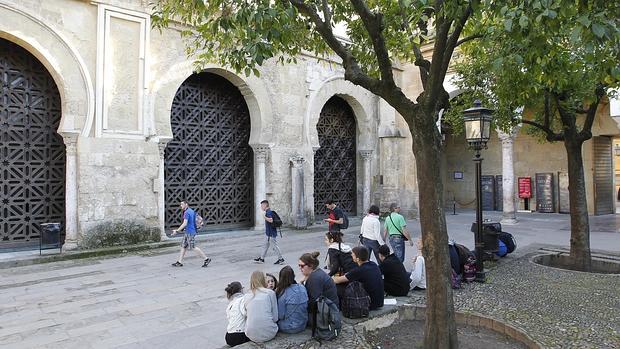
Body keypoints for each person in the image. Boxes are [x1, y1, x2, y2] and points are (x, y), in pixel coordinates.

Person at [332, 246, 384, 310]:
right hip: (379, 301)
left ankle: (338, 308)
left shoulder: (359, 270)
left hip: (369, 304)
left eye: (353, 255)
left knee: (337, 287)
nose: (351, 255)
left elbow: (337, 280)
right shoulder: (373, 264)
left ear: (358, 259)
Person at [171, 201, 211, 267]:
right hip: (188, 232)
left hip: (190, 232)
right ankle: (179, 262)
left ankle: (206, 259)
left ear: (186, 204)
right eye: (180, 204)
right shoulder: (191, 211)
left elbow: (185, 223)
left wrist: (177, 231)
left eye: (182, 204)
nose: (181, 205)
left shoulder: (186, 212)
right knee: (183, 246)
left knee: (193, 247)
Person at [242, 271, 279, 343]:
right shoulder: (270, 293)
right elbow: (275, 318)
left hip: (251, 335)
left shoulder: (246, 296)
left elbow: (246, 315)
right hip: (270, 333)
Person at [275, 266, 308, 333]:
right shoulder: (302, 287)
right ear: (293, 276)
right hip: (303, 324)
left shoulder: (283, 293)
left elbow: (280, 316)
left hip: (289, 327)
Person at [254, 200, 285, 265]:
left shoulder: (268, 212)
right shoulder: (268, 212)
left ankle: (281, 259)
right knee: (265, 245)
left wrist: (264, 217)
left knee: (275, 247)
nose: (261, 207)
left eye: (262, 206)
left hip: (271, 234)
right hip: (268, 234)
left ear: (265, 205)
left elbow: (271, 220)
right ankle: (262, 258)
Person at [224, 281, 250, 347]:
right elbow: (245, 313)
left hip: (229, 335)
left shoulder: (230, 304)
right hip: (240, 335)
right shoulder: (242, 299)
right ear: (241, 290)